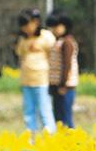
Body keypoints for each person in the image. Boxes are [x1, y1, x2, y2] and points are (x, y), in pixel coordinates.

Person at [15, 8, 56, 136]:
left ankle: (49, 131)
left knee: (44, 107)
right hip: (26, 80)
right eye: (24, 26)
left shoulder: (46, 36)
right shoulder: (23, 40)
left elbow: (52, 54)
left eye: (28, 24)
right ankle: (31, 133)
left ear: (36, 22)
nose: (26, 28)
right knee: (29, 109)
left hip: (41, 79)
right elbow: (19, 53)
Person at [46, 10, 79, 128]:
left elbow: (67, 65)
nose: (53, 29)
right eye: (52, 27)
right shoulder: (58, 42)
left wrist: (63, 85)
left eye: (56, 26)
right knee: (58, 119)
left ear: (65, 25)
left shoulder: (67, 42)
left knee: (65, 118)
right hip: (57, 85)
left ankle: (71, 142)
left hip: (65, 87)